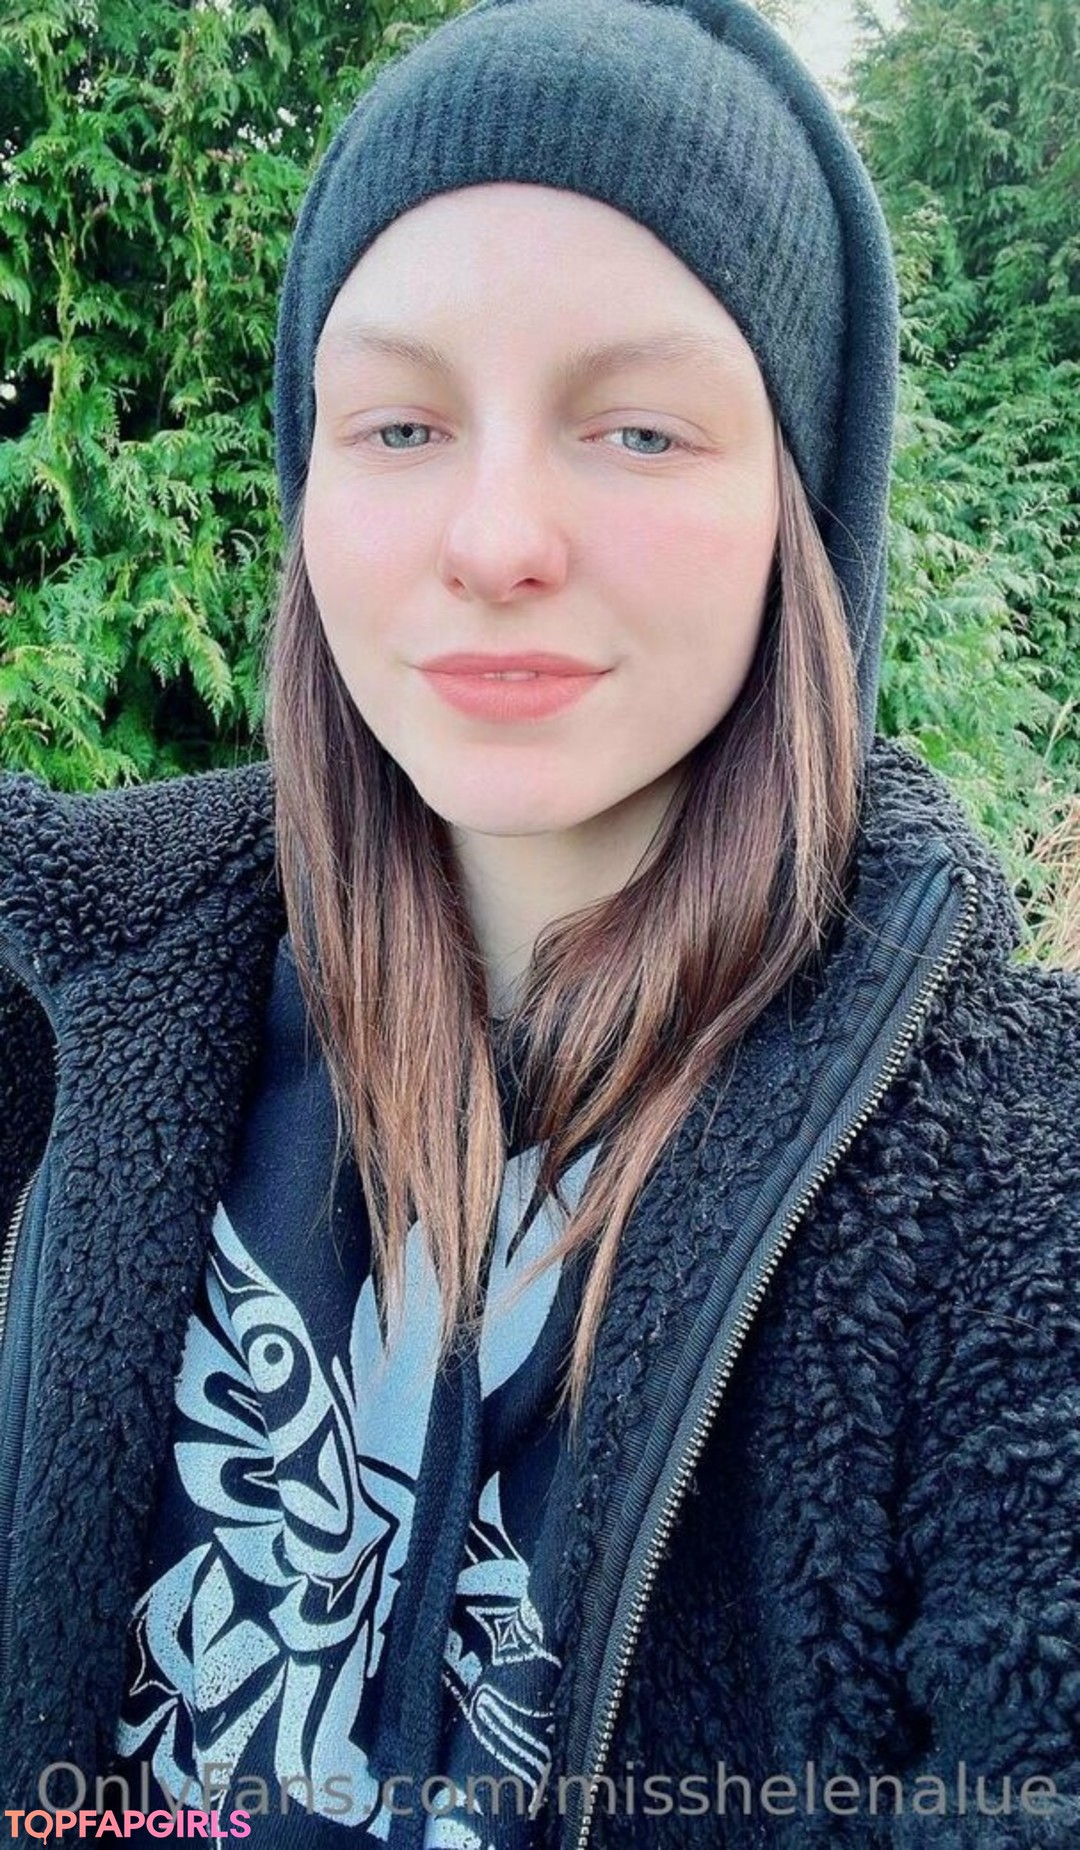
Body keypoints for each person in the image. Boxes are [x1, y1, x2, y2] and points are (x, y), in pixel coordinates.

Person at [0, 0, 1078, 1843]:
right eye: (402, 423)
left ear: (801, 515)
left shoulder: (1014, 1174)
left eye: (641, 429)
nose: (495, 536)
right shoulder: (67, 979)